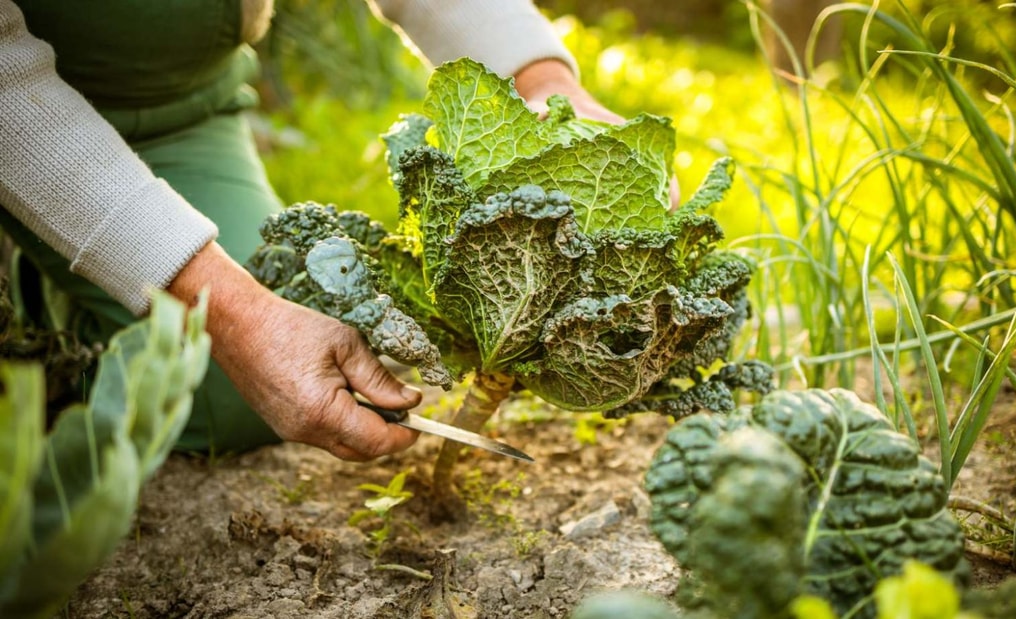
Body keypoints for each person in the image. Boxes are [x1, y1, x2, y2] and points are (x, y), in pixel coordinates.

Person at [0, 0, 625, 461]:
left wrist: (542, 83)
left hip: (181, 113)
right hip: (20, 125)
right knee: (216, 361)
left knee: (243, 394)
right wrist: (236, 315)